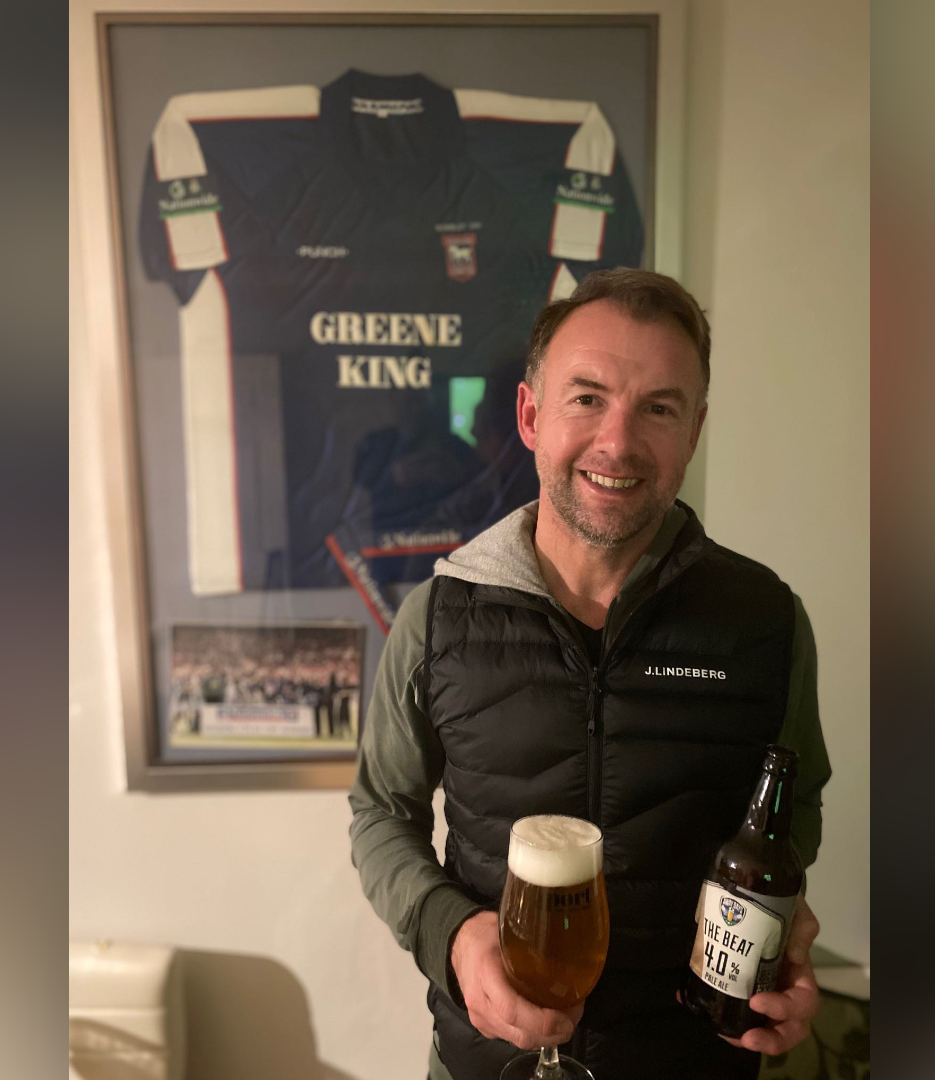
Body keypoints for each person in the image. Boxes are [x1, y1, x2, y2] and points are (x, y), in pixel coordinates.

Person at [349, 268, 833, 1080]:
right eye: (588, 398)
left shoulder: (768, 623)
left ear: (695, 430)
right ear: (531, 415)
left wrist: (782, 927)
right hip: (486, 1064)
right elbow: (379, 811)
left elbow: (797, 807)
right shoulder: (438, 619)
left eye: (659, 408)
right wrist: (454, 936)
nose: (618, 442)